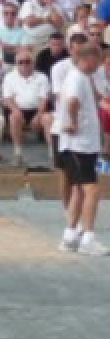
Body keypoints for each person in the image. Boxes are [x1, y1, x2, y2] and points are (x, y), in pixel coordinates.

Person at [57, 46, 108, 254]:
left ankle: (70, 236)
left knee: (79, 189)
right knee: (92, 190)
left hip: (84, 144)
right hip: (78, 145)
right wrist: (73, 122)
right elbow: (73, 101)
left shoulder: (83, 78)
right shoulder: (77, 78)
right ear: (89, 59)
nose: (100, 65)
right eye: (99, 60)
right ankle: (88, 237)